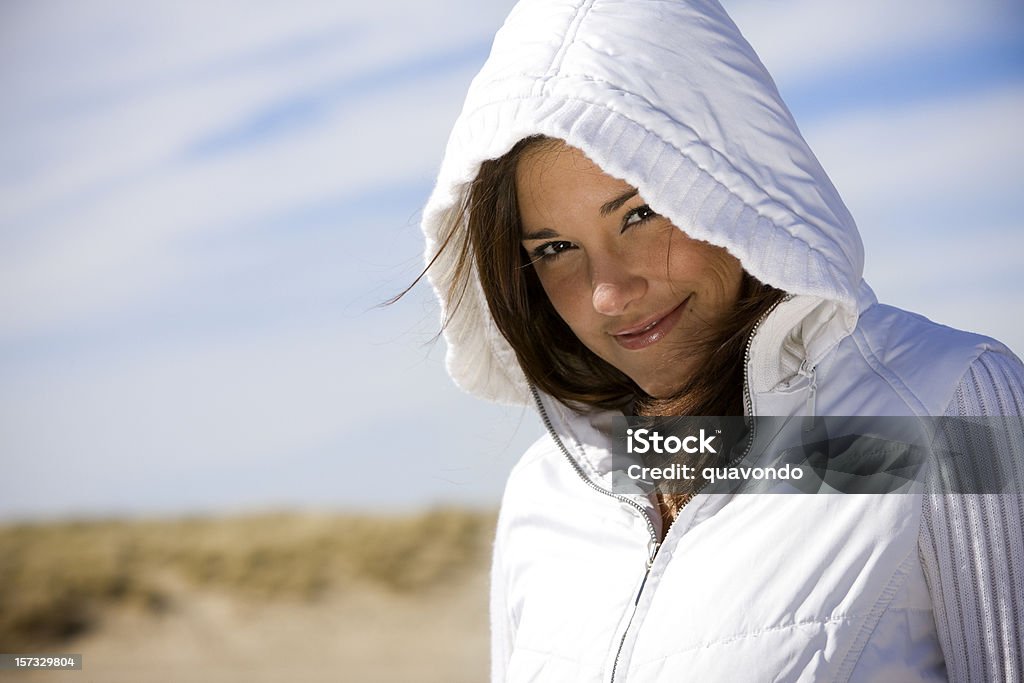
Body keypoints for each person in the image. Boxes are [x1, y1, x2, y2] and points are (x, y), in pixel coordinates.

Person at [415, 0, 1024, 680]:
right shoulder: (547, 491)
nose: (608, 292)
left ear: (734, 183)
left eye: (640, 213)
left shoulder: (947, 407)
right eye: (556, 247)